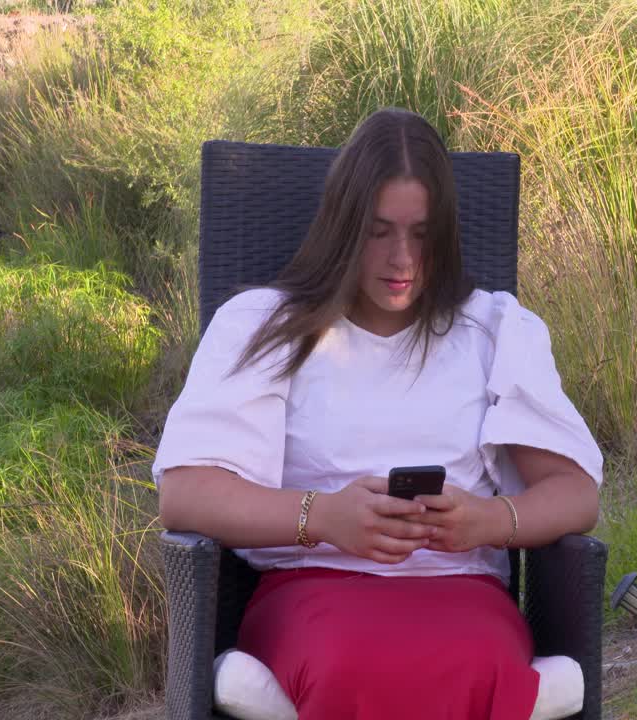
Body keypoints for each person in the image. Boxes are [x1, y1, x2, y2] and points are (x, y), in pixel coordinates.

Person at [154, 107, 603, 720]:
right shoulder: (265, 326)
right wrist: (327, 517)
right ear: (344, 225)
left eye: (421, 234)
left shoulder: (493, 330)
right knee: (349, 665)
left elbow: (576, 493)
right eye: (379, 231)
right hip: (314, 587)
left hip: (460, 591)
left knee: (478, 664)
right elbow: (185, 495)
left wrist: (488, 520)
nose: (402, 260)